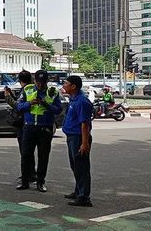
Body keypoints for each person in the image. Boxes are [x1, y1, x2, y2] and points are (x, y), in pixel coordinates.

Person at [15, 70, 63, 193]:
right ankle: (25, 181)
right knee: (26, 155)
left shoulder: (53, 92)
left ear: (47, 81)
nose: (40, 84)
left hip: (45, 128)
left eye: (43, 82)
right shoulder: (27, 89)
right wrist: (29, 103)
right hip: (29, 126)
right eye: (38, 82)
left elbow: (58, 110)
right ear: (34, 80)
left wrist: (46, 105)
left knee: (43, 156)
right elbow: (18, 106)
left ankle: (40, 182)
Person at [62, 75, 94, 207]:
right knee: (75, 166)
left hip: (78, 137)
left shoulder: (81, 101)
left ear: (73, 86)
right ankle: (78, 191)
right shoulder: (74, 99)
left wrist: (84, 142)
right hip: (72, 136)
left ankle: (84, 196)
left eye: (66, 83)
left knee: (81, 167)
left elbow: (85, 124)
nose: (64, 85)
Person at [4, 70, 35, 183]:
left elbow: (18, 106)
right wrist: (12, 94)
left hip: (24, 123)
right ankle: (31, 174)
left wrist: (8, 97)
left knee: (25, 151)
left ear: (20, 80)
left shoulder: (26, 90)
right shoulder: (32, 88)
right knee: (28, 151)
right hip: (30, 122)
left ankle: (28, 175)